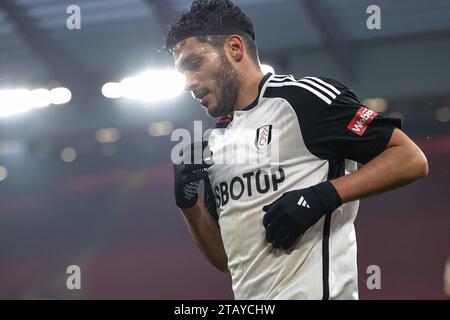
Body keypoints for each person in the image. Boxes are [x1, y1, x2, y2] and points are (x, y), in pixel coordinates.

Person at [168, 0, 428, 300]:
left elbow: (410, 158)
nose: (187, 83)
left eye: (194, 63)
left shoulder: (303, 100)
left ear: (235, 49)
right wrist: (188, 204)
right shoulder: (214, 141)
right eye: (181, 72)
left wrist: (321, 196)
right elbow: (226, 260)